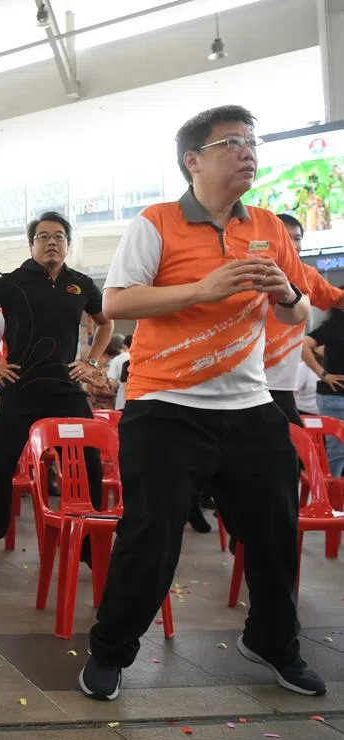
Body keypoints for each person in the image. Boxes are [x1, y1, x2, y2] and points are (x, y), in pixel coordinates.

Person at [82, 105, 325, 702]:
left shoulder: (266, 226)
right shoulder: (157, 222)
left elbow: (297, 313)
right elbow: (116, 303)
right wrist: (202, 288)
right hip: (165, 405)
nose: (249, 152)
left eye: (252, 142)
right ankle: (111, 652)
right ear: (193, 160)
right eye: (233, 142)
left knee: (274, 535)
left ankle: (273, 642)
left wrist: (286, 292)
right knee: (151, 535)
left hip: (250, 405)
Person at [0, 211, 112, 573]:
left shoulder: (80, 284)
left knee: (90, 462)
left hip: (65, 390)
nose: (51, 242)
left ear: (68, 244)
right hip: (21, 389)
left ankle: (88, 545)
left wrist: (91, 363)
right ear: (32, 245)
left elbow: (105, 323)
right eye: (43, 236)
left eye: (58, 236)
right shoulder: (13, 282)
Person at [265, 213, 344, 425]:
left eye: (297, 238)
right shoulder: (248, 269)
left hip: (282, 386)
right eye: (285, 237)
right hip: (239, 383)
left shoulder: (308, 275)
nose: (293, 244)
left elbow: (338, 299)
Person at [301, 309, 344, 476]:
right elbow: (303, 344)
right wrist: (324, 375)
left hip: (333, 396)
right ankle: (333, 488)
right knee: (338, 451)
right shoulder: (333, 326)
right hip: (335, 396)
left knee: (338, 451)